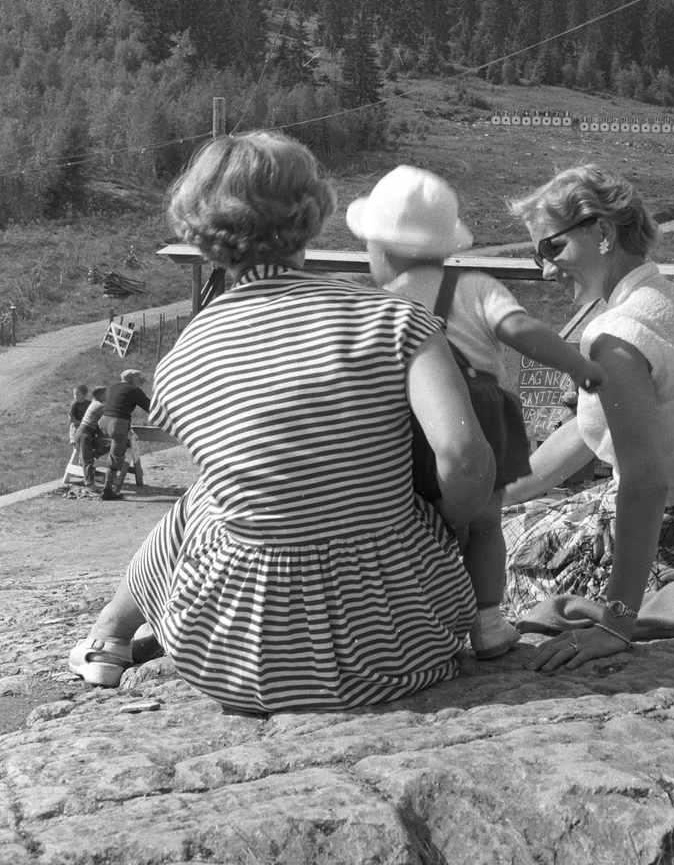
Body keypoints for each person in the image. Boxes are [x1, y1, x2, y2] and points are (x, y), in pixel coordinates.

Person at [67, 131, 494, 713]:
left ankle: (111, 636)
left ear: (200, 230)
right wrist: (447, 522)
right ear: (313, 212)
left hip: (237, 665)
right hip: (403, 650)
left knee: (206, 499)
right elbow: (466, 460)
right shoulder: (396, 319)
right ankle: (112, 634)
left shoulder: (182, 360)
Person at [501, 164, 674, 673]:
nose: (545, 270)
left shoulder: (615, 334)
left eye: (551, 248)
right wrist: (500, 494)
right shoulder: (669, 302)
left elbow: (645, 481)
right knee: (504, 518)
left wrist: (615, 621)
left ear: (601, 233)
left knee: (490, 556)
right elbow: (588, 433)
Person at [348, 165, 605, 661]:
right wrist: (579, 365)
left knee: (415, 523)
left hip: (408, 423)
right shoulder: (475, 287)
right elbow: (521, 330)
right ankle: (488, 623)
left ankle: (414, 622)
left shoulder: (380, 304)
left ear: (379, 249)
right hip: (477, 422)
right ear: (446, 243)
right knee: (484, 524)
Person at [99, 369, 151, 499]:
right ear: (132, 379)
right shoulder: (134, 390)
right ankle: (107, 490)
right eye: (138, 379)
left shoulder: (113, 386)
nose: (140, 381)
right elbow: (149, 407)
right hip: (117, 424)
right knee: (116, 456)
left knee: (116, 449)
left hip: (103, 422)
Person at [75, 386, 111, 488]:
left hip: (88, 434)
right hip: (84, 434)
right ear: (101, 395)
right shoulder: (99, 406)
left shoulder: (95, 403)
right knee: (88, 461)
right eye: (105, 393)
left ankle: (94, 454)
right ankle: (89, 484)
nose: (107, 396)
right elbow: (108, 419)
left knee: (109, 444)